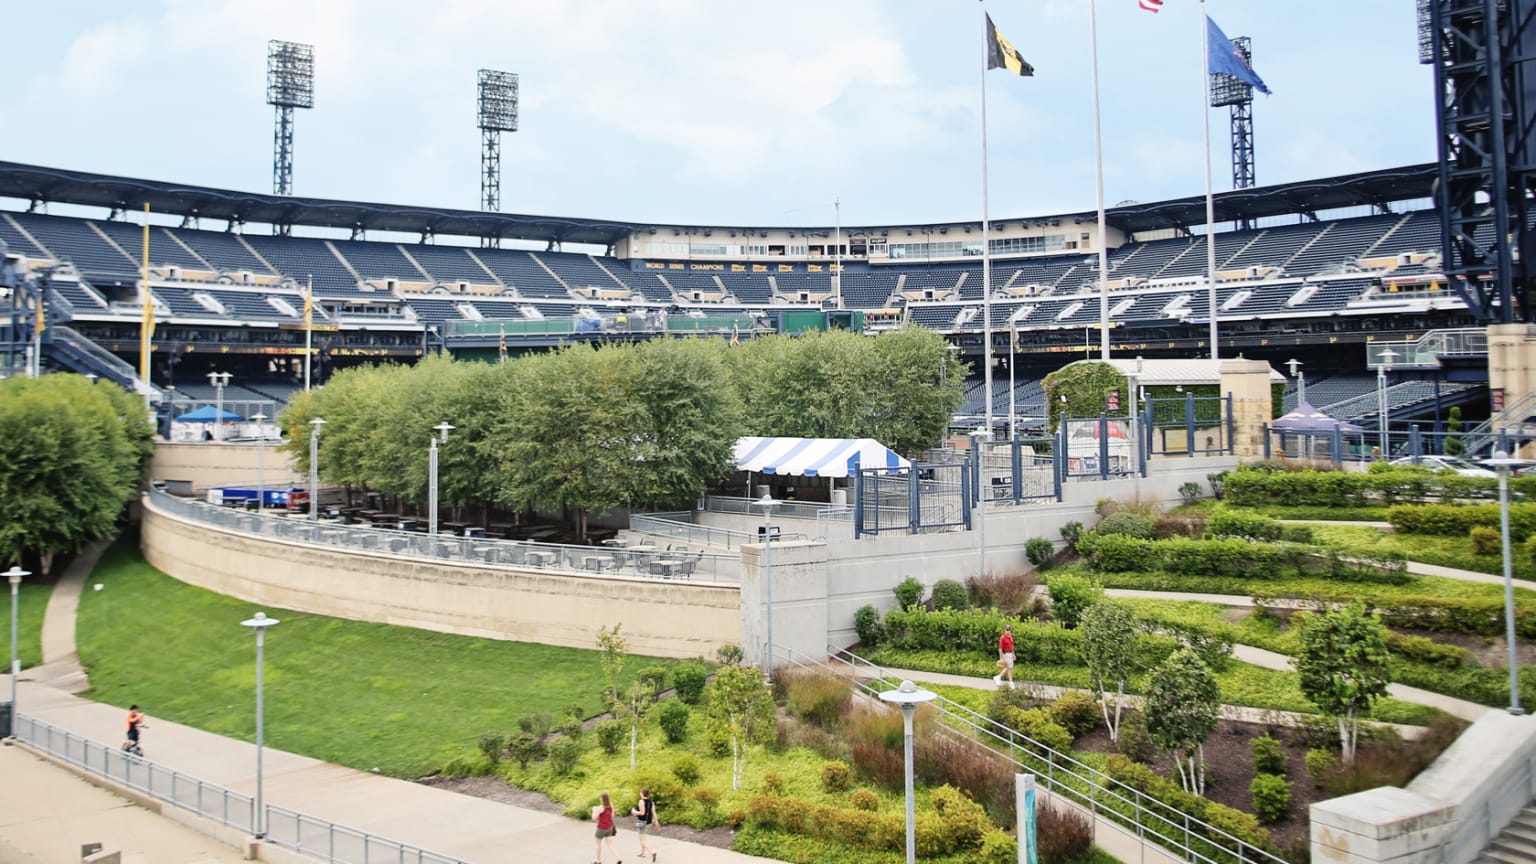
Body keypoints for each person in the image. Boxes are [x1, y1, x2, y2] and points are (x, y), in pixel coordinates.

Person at [632, 786, 659, 862]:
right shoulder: (651, 801)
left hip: (642, 822)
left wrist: (634, 812)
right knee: (643, 837)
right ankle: (642, 853)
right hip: (648, 822)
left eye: (640, 792)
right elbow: (654, 812)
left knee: (642, 839)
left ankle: (652, 852)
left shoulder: (641, 801)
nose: (640, 793)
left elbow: (642, 813)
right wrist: (656, 821)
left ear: (642, 793)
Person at [592, 790, 620, 864]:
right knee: (610, 844)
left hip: (601, 828)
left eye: (600, 798)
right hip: (609, 827)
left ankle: (598, 860)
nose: (600, 799)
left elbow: (594, 818)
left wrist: (594, 810)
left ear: (602, 799)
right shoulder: (611, 805)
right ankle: (618, 858)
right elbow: (612, 815)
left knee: (598, 844)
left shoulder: (600, 808)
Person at [993, 624, 1015, 689]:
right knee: (1010, 668)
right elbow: (1000, 649)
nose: (1008, 631)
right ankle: (1011, 682)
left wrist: (1013, 654)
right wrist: (1001, 658)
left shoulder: (1010, 637)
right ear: (1005, 630)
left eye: (1009, 629)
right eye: (1007, 629)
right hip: (1006, 654)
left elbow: (1012, 646)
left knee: (1008, 668)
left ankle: (998, 677)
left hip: (1010, 654)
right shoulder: (1003, 637)